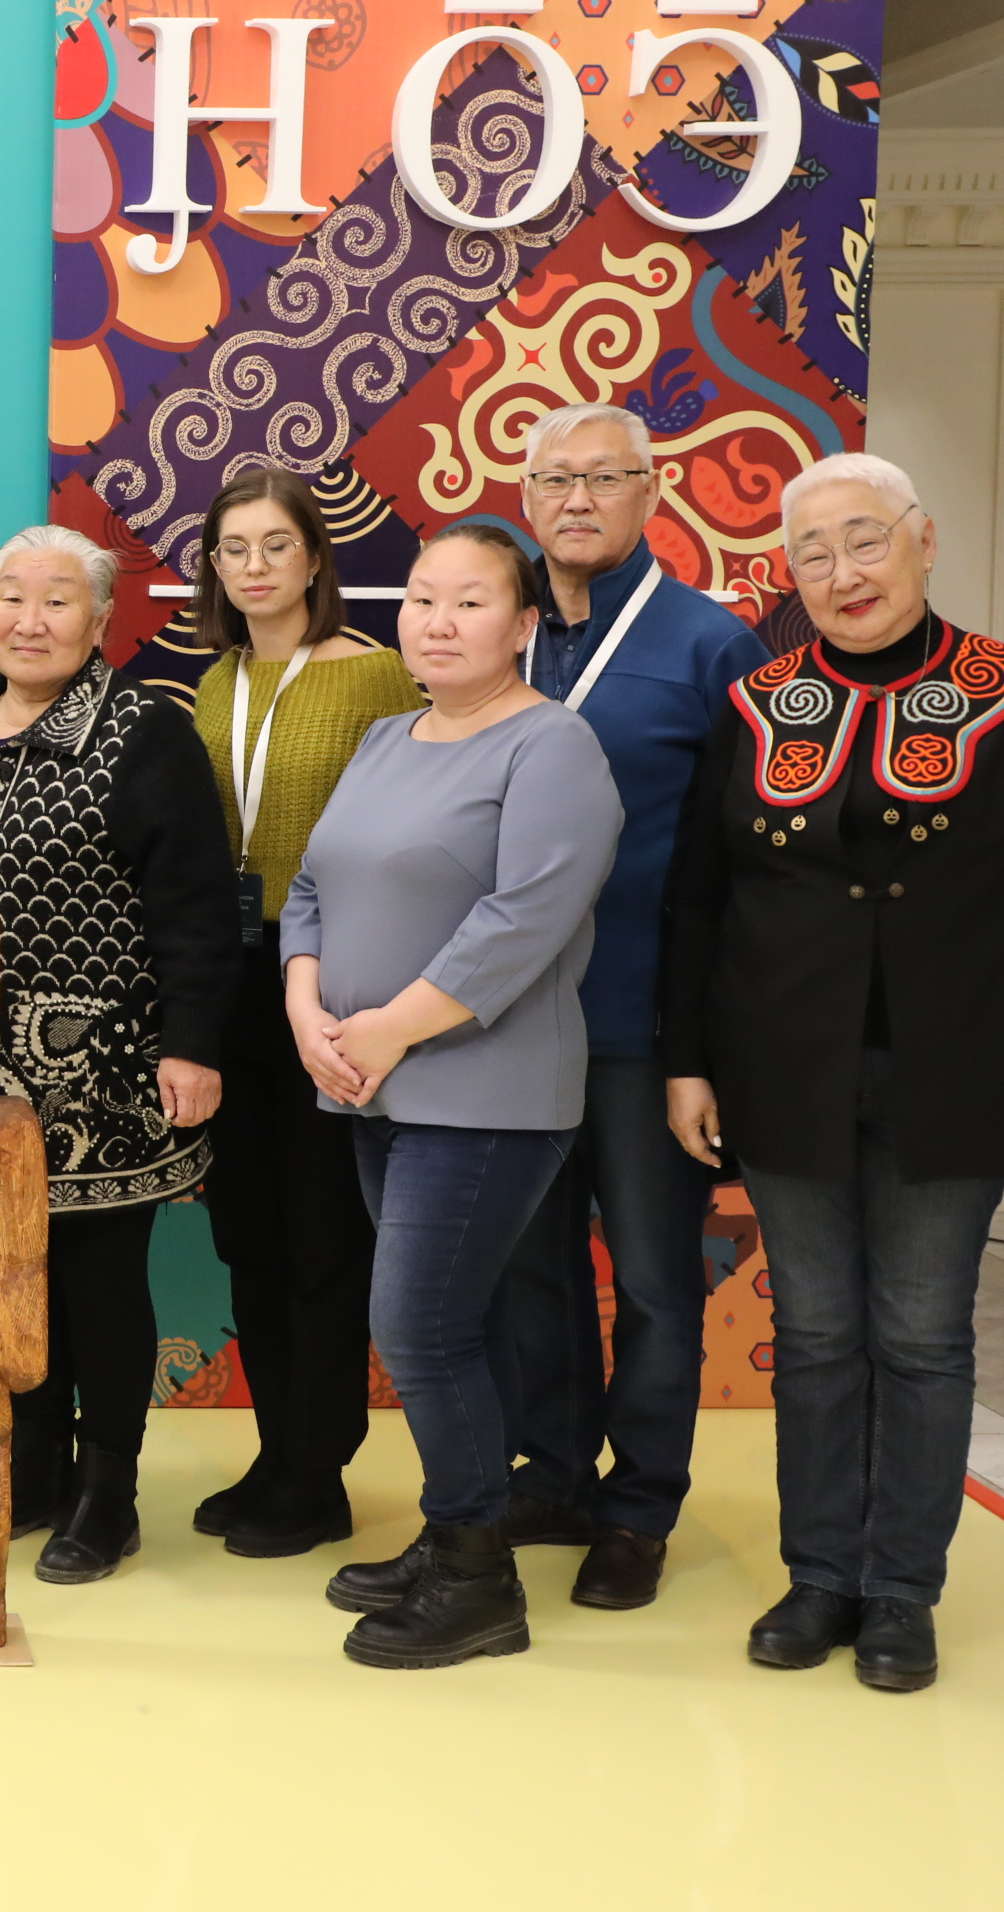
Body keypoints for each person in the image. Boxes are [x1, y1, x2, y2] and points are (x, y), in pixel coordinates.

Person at [663, 452, 1004, 1695]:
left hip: (959, 1063)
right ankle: (819, 1575)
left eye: (865, 540)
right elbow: (700, 897)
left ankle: (903, 1587)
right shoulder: (756, 702)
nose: (843, 571)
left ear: (923, 540)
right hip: (781, 1064)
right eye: (812, 552)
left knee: (919, 1333)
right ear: (790, 573)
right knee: (813, 1333)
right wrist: (688, 1062)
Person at [285, 522, 620, 1670]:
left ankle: (479, 1580)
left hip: (485, 1091)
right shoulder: (388, 734)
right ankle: (451, 1533)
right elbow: (312, 886)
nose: (437, 620)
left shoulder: (553, 744)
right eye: (423, 597)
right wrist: (306, 1008)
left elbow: (525, 917)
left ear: (524, 624)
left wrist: (387, 1026)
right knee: (445, 1325)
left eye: (470, 601)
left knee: (421, 1327)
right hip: (368, 1082)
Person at [493, 404, 769, 1608]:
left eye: (603, 477)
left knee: (656, 1276)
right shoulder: (495, 631)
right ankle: (552, 1474)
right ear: (526, 495)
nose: (576, 499)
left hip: (645, 1028)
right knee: (530, 1266)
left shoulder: (711, 645)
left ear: (650, 492)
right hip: (505, 1020)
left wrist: (711, 1037)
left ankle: (639, 1504)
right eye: (554, 478)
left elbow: (747, 863)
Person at [0, 527, 235, 1585]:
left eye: (57, 601)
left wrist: (193, 1043)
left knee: (99, 1284)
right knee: (8, 1280)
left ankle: (110, 1492)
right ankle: (35, 1465)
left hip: (104, 1075)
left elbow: (195, 904)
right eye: (10, 597)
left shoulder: (145, 731)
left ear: (101, 619)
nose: (30, 620)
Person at [185, 468, 423, 1558]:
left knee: (324, 1232)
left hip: (333, 978)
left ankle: (318, 1469)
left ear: (316, 558)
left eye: (276, 544)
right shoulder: (213, 683)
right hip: (230, 980)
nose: (255, 567)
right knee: (250, 1232)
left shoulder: (376, 676)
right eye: (234, 548)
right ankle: (275, 1449)